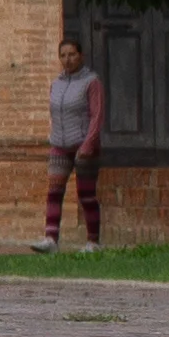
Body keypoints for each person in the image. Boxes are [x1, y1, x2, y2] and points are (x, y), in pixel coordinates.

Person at [45, 35, 107, 250]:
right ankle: (51, 239)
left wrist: (88, 145)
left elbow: (96, 115)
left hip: (83, 147)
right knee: (54, 192)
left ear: (81, 55)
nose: (67, 59)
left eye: (72, 54)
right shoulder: (57, 84)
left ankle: (93, 241)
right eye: (63, 55)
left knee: (86, 195)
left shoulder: (91, 81)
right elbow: (54, 112)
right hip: (59, 146)